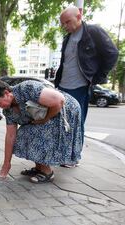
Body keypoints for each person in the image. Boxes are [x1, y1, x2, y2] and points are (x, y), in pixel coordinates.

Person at [0, 80, 82, 183]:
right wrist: (6, 164)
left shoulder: (26, 88)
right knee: (24, 133)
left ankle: (47, 172)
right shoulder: (8, 111)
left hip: (65, 109)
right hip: (48, 113)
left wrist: (45, 119)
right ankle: (39, 168)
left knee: (36, 131)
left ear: (6, 93)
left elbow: (59, 100)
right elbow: (10, 136)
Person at [55, 6, 118, 157]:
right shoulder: (67, 38)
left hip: (80, 87)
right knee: (62, 122)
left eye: (67, 22)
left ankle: (74, 156)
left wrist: (96, 77)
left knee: (77, 122)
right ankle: (63, 153)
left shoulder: (93, 32)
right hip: (62, 86)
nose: (65, 26)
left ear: (79, 16)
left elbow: (112, 53)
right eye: (63, 24)